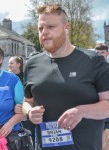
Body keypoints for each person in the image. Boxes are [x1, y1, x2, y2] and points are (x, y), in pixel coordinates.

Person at [22, 4, 109, 150]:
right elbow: (27, 102)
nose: (44, 32)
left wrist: (81, 111)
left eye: (51, 27)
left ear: (66, 28)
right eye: (40, 28)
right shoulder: (32, 64)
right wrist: (30, 112)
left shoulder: (93, 61)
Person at [9, 56, 36, 146]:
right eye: (9, 63)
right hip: (12, 111)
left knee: (28, 134)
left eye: (11, 63)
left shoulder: (26, 77)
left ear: (18, 64)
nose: (9, 65)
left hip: (24, 110)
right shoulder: (7, 78)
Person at [95, 43, 109, 150]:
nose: (99, 55)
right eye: (97, 53)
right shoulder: (89, 70)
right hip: (94, 112)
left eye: (102, 52)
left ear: (107, 53)